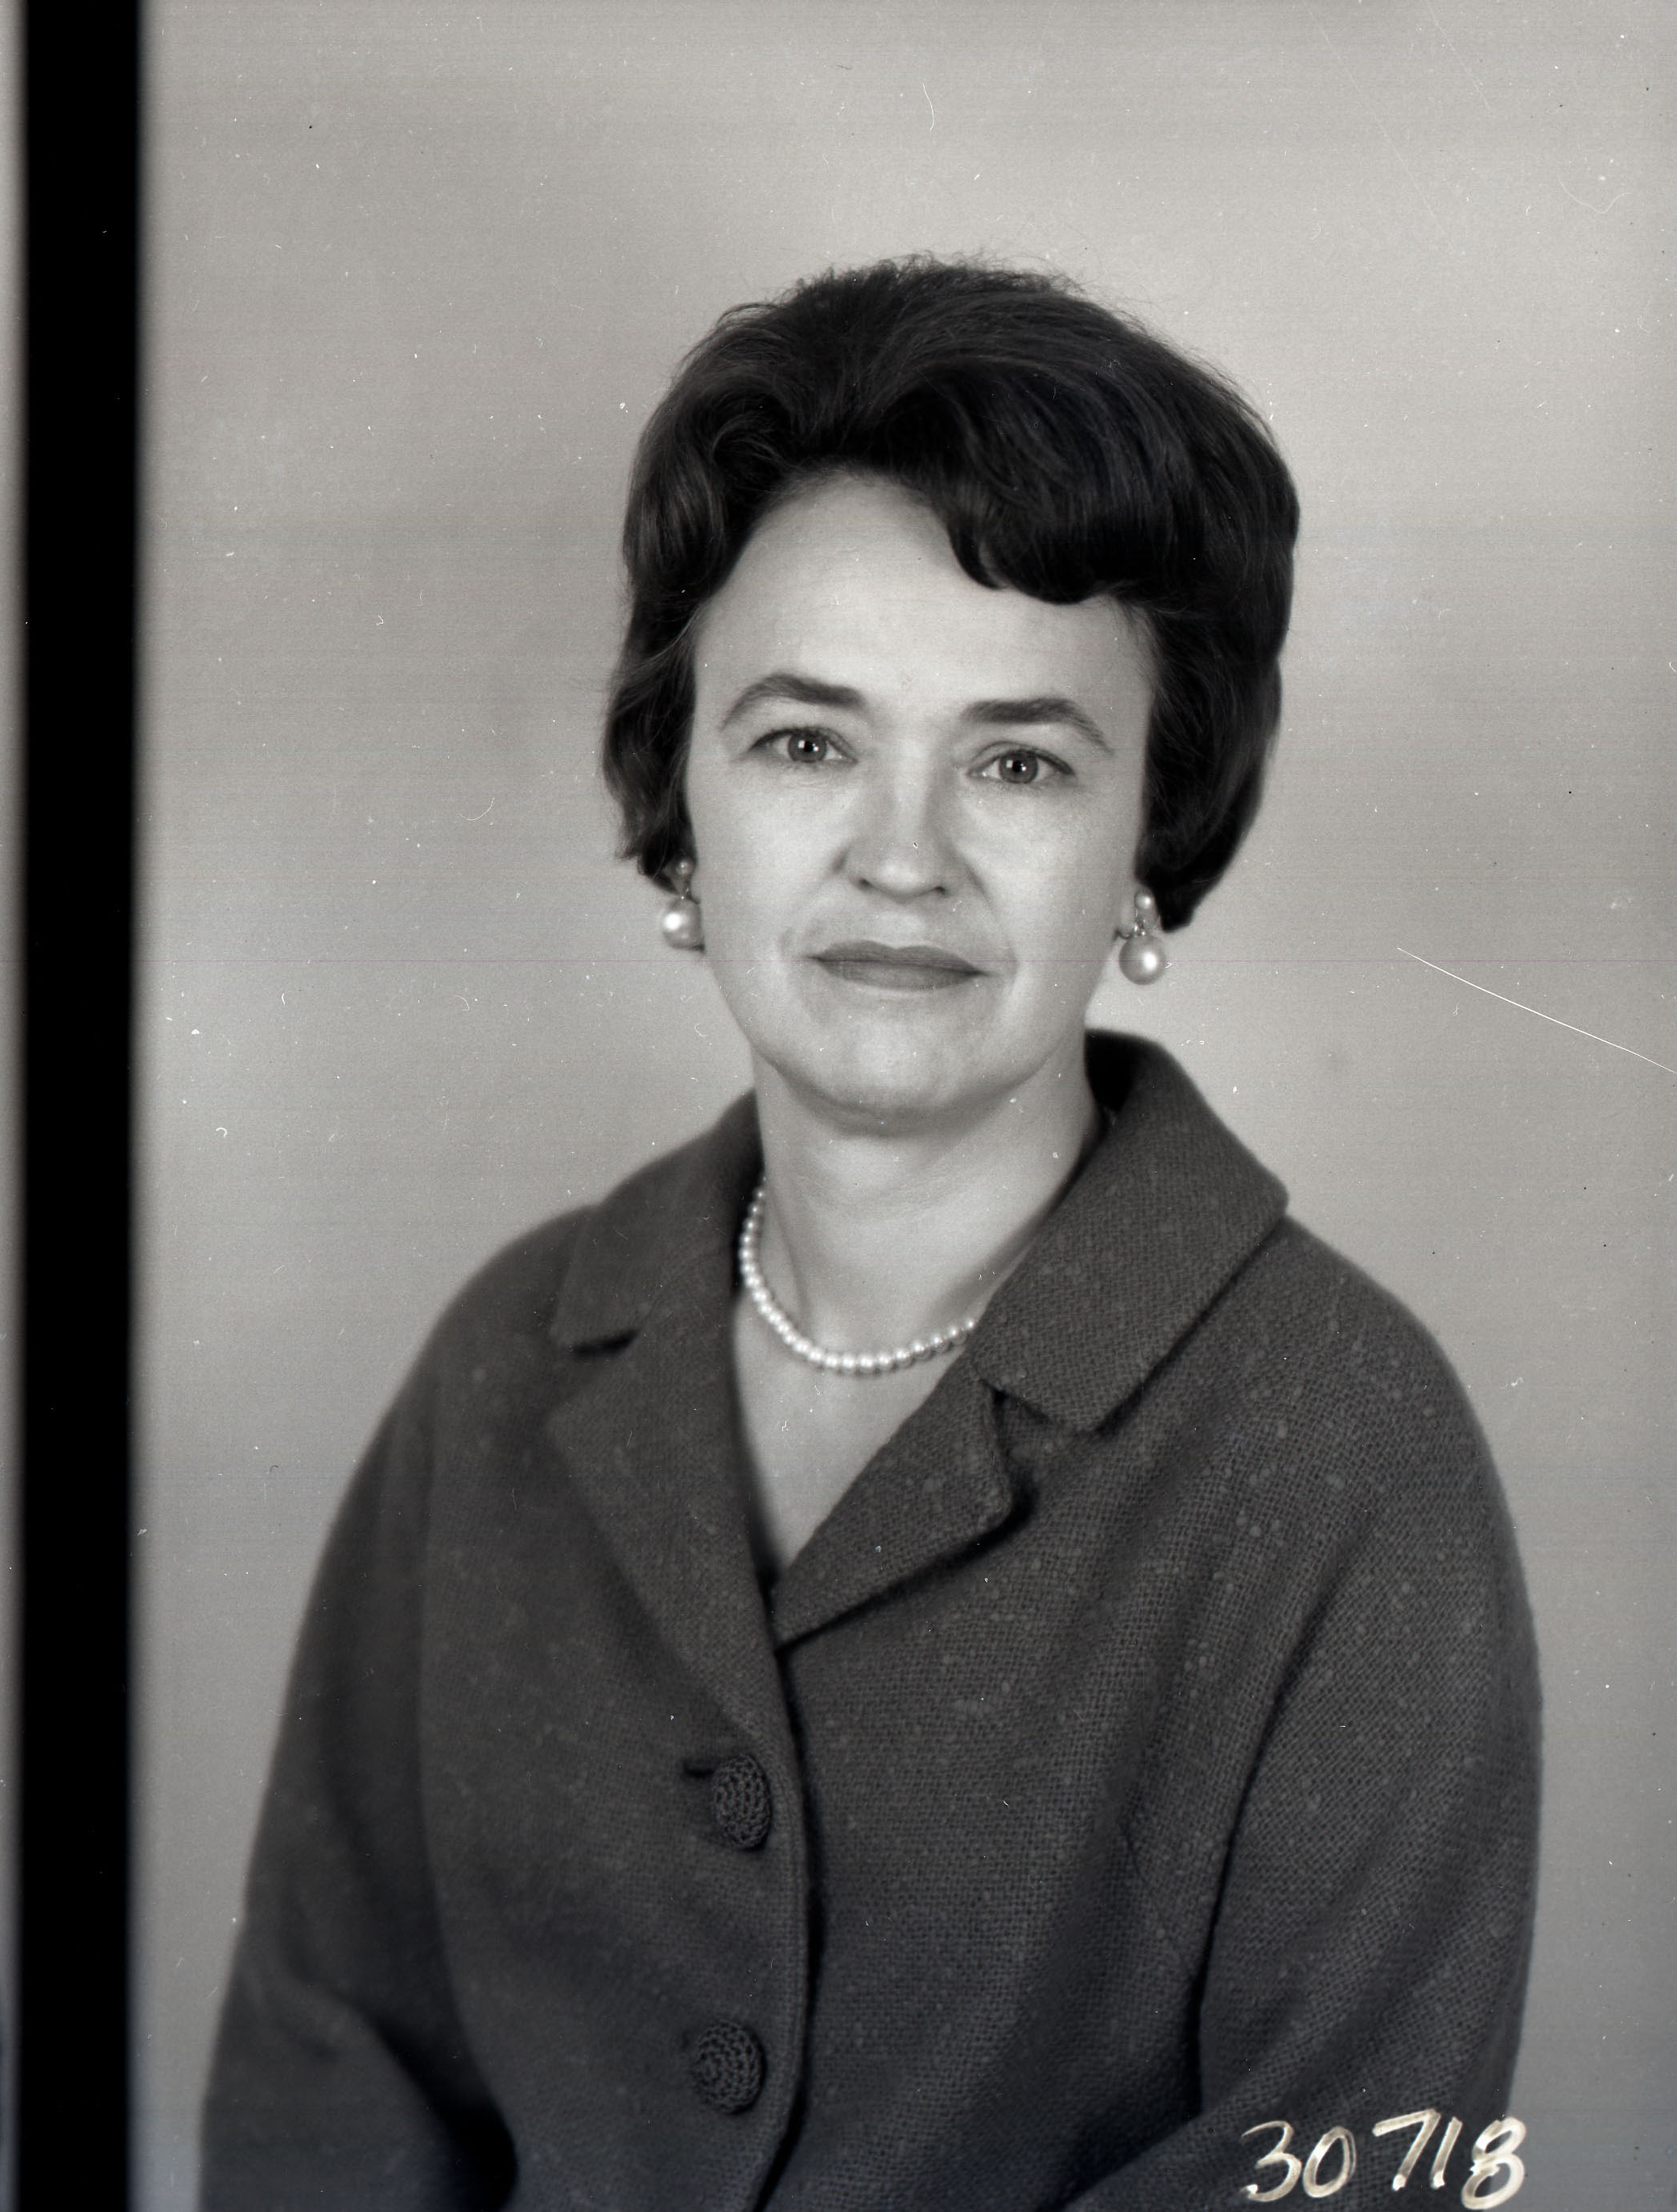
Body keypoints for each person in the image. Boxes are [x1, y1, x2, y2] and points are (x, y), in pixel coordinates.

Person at [202, 260, 1539, 2209]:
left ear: (1148, 842)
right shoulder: (504, 1360)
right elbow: (330, 2073)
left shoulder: (1342, 1444)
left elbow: (1356, 2168)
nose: (899, 859)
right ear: (678, 805)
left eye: (1017, 762)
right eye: (805, 743)